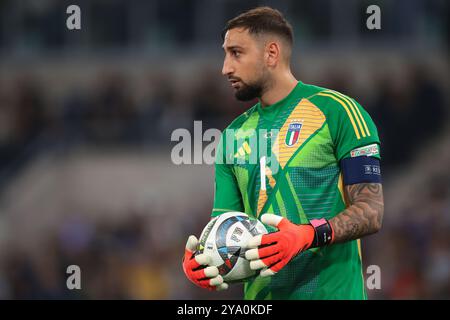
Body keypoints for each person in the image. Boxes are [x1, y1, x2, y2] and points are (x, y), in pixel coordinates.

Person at [182, 6, 384, 300]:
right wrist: (203, 260)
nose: (225, 68)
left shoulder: (338, 112)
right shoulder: (231, 137)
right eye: (225, 54)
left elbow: (371, 211)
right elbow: (226, 228)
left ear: (271, 54)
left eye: (236, 53)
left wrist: (307, 235)